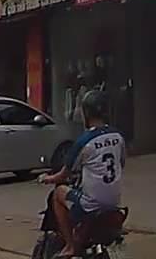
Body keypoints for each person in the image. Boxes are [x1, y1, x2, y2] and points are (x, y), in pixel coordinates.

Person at [39, 89, 126, 257]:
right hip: (114, 202)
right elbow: (120, 163)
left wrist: (47, 178)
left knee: (58, 193)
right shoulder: (118, 136)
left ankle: (70, 245)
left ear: (86, 113)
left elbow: (64, 175)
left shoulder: (84, 141)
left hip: (91, 204)